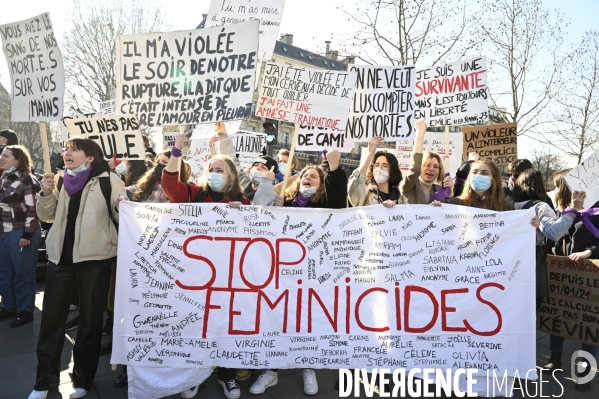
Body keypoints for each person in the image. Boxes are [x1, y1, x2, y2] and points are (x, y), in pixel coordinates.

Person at [30, 138, 126, 399]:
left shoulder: (109, 179)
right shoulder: (59, 179)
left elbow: (123, 216)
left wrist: (123, 208)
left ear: (90, 157)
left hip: (95, 261)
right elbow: (47, 217)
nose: (66, 153)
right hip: (59, 260)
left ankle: (82, 379)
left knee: (90, 323)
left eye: (73, 149)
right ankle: (43, 382)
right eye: (66, 149)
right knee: (51, 322)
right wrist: (46, 194)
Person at [250, 149, 347, 395]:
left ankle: (308, 368)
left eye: (314, 176)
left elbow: (338, 196)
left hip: (315, 274)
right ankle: (271, 371)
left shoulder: (327, 204)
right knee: (278, 320)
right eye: (305, 175)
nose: (308, 178)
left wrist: (333, 167)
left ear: (322, 183)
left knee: (308, 322)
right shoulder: (286, 202)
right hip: (283, 273)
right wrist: (277, 208)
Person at [161, 132, 248, 399]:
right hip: (197, 275)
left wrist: (242, 215)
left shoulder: (243, 203)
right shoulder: (196, 195)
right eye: (211, 169)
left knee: (227, 327)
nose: (214, 173)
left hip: (229, 277)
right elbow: (170, 185)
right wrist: (177, 150)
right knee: (196, 324)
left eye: (219, 170)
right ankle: (193, 375)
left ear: (231, 175)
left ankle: (227, 376)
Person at [543, 169, 597, 391]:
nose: (556, 191)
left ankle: (585, 370)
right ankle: (555, 358)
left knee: (588, 323)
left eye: (559, 186)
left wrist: (589, 252)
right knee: (559, 317)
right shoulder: (563, 212)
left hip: (590, 274)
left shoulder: (596, 211)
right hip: (563, 272)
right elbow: (556, 238)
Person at [511, 169, 584, 306]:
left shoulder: (507, 205)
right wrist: (573, 211)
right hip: (530, 266)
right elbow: (553, 232)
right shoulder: (540, 207)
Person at [0, 145, 42, 327]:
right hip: (4, 233)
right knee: (5, 273)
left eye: (5, 155)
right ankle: (9, 307)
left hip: (21, 234)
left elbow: (34, 211)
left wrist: (27, 234)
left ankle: (25, 311)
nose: (1, 157)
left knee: (22, 274)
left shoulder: (28, 181)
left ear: (17, 160)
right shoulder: (3, 178)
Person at [400, 120, 454, 204]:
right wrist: (420, 133)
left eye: (436, 166)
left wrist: (449, 194)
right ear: (420, 167)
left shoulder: (439, 190)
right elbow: (415, 169)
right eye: (427, 165)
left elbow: (447, 214)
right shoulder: (408, 186)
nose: (431, 169)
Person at [348, 136, 406, 207]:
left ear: (393, 170)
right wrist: (370, 154)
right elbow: (356, 182)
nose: (379, 168)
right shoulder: (364, 195)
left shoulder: (402, 201)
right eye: (376, 165)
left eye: (385, 166)